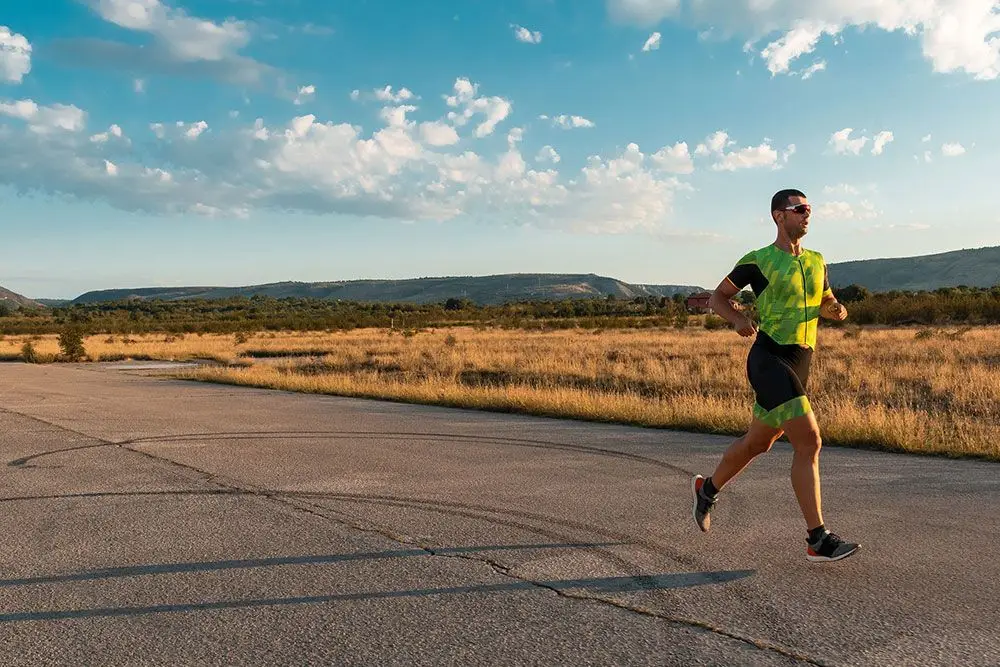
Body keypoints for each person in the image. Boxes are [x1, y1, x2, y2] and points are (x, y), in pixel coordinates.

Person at [691, 188, 861, 563]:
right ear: (778, 216)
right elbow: (718, 297)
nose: (806, 214)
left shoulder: (817, 261)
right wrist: (737, 319)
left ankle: (707, 490)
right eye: (799, 209)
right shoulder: (759, 260)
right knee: (809, 441)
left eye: (809, 209)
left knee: (758, 443)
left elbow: (826, 300)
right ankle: (817, 539)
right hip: (769, 358)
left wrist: (836, 308)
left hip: (801, 359)